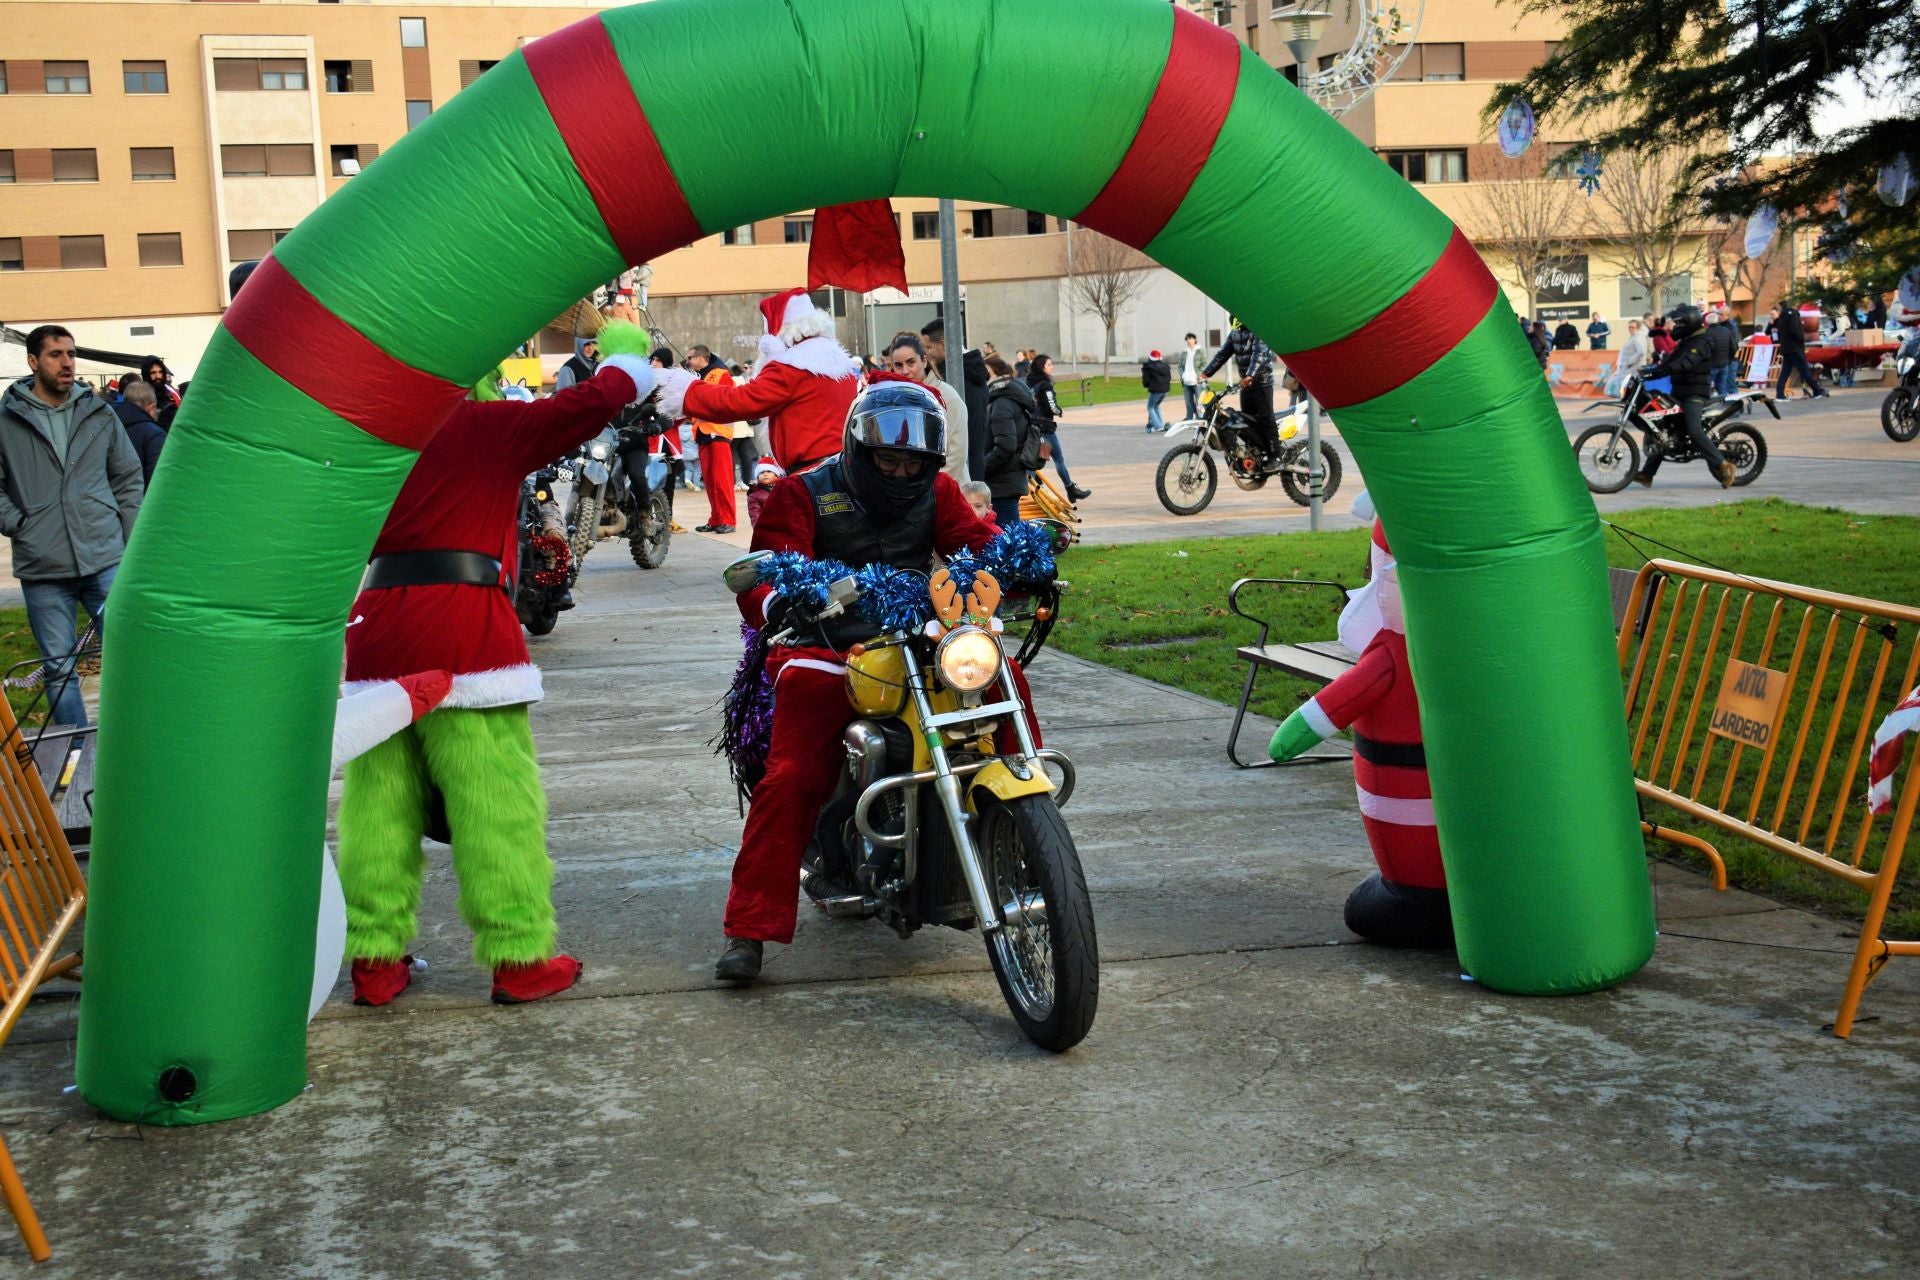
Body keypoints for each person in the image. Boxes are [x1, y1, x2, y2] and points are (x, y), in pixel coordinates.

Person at [337, 336, 656, 1007]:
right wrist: (626, 354)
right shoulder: (485, 426)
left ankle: (374, 960)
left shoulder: (367, 434)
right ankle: (519, 957)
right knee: (494, 802)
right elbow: (590, 403)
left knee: (378, 802)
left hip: (376, 625)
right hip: (464, 626)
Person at [713, 379, 1000, 981]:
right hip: (826, 646)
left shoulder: (940, 492)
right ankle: (749, 928)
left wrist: (1019, 560)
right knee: (792, 776)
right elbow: (767, 572)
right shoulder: (803, 491)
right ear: (859, 449)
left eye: (913, 462)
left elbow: (976, 547)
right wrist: (779, 603)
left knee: (1003, 679)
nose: (901, 473)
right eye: (888, 460)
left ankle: (1021, 832)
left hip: (916, 641)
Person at [0, 326, 145, 727]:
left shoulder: (98, 412)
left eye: (71, 353)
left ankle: (135, 740)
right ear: (33, 361)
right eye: (55, 355)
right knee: (58, 668)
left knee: (133, 655)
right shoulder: (6, 420)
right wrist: (21, 524)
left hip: (105, 557)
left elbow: (127, 477)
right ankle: (75, 747)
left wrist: (127, 536)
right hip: (44, 567)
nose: (67, 363)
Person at [657, 288, 860, 476]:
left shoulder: (791, 367)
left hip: (812, 475)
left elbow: (740, 402)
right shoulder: (839, 363)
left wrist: (686, 390)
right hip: (842, 469)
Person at [1634, 304, 1734, 489]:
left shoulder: (1702, 342)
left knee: (1694, 431)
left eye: (1679, 323)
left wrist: (1664, 371)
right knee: (1664, 431)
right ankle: (1647, 474)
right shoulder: (1686, 342)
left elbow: (1685, 363)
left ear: (1690, 322)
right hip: (1679, 392)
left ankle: (1723, 464)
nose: (1675, 326)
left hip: (1695, 394)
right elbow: (1671, 362)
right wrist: (1652, 371)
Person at [887, 332, 970, 482]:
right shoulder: (891, 399)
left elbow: (954, 458)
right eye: (898, 365)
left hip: (946, 490)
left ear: (924, 361)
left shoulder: (947, 397)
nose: (905, 371)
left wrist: (924, 490)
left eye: (911, 362)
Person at [1202, 318, 1282, 467]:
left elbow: (1259, 355)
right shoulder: (1235, 333)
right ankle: (1255, 454)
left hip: (1262, 382)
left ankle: (1276, 456)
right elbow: (1222, 354)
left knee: (1266, 419)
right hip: (1246, 385)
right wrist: (1206, 373)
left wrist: (1250, 375)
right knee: (1247, 422)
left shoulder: (1257, 328)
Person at [918, 319, 981, 481]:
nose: (925, 354)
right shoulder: (973, 372)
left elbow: (955, 449)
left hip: (957, 476)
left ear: (943, 345)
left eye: (928, 347)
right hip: (971, 466)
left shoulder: (949, 383)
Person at [982, 355, 1040, 528]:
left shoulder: (1002, 402)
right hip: (1007, 480)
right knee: (1007, 535)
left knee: (1007, 537)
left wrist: (981, 468)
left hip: (1002, 483)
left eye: (984, 372)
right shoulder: (1008, 397)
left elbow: (1006, 446)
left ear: (994, 373)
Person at [687, 345, 740, 534]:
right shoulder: (699, 376)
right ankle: (717, 518)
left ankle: (728, 520)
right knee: (710, 482)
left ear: (701, 357)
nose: (688, 361)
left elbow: (727, 401)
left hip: (718, 433)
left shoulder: (721, 374)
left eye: (690, 357)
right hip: (703, 433)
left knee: (722, 481)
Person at [1024, 354, 1090, 501]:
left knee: (1035, 461)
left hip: (1033, 427)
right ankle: (1070, 490)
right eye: (1049, 364)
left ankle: (1031, 490)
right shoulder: (1045, 385)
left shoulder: (1031, 383)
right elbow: (1051, 406)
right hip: (1045, 428)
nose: (1052, 367)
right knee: (1058, 459)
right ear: (1041, 367)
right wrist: (1059, 411)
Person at [115, 379, 168, 487]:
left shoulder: (105, 425)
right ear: (151, 407)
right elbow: (159, 481)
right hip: (140, 496)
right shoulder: (154, 435)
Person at [1771, 302, 1829, 399]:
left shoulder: (1781, 317)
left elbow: (1779, 333)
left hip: (1786, 348)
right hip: (1795, 348)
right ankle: (1817, 391)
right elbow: (1795, 330)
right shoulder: (1793, 315)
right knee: (1805, 370)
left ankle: (1780, 394)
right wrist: (1801, 339)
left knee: (1785, 373)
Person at [1705, 307, 1739, 398]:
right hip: (1725, 361)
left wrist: (1728, 359)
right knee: (1722, 385)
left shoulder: (1730, 327)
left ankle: (1734, 403)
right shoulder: (1724, 327)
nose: (1718, 316)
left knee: (1729, 385)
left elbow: (1734, 345)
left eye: (1720, 314)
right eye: (1718, 313)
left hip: (1728, 360)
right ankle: (1727, 402)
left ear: (1727, 315)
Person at [1610, 318, 1648, 396]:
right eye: (1629, 327)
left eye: (1633, 327)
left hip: (1634, 368)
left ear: (1638, 328)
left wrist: (1630, 362)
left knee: (1631, 389)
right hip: (1630, 368)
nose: (1630, 329)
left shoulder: (1638, 338)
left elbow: (1641, 352)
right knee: (1629, 389)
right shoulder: (1633, 337)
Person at [746, 457, 782, 527]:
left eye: (769, 471)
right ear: (757, 477)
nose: (765, 474)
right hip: (767, 528)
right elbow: (755, 515)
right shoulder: (754, 495)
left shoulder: (784, 489)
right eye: (762, 472)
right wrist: (759, 528)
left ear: (776, 475)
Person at [1141, 349, 1172, 433]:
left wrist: (1147, 385)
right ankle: (1160, 424)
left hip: (1156, 390)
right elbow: (1169, 378)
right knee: (1156, 406)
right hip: (1165, 390)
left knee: (1150, 407)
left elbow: (1146, 381)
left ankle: (1158, 426)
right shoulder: (1165, 366)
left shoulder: (1148, 367)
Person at [1179, 332, 1205, 419]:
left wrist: (1199, 375)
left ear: (1195, 339)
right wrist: (1183, 375)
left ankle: (1201, 419)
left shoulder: (1200, 351)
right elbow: (1180, 366)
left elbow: (1204, 364)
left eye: (1190, 338)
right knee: (1188, 403)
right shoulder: (1184, 352)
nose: (1188, 341)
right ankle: (1189, 419)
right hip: (1186, 381)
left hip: (1197, 381)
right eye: (1187, 339)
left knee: (1200, 403)